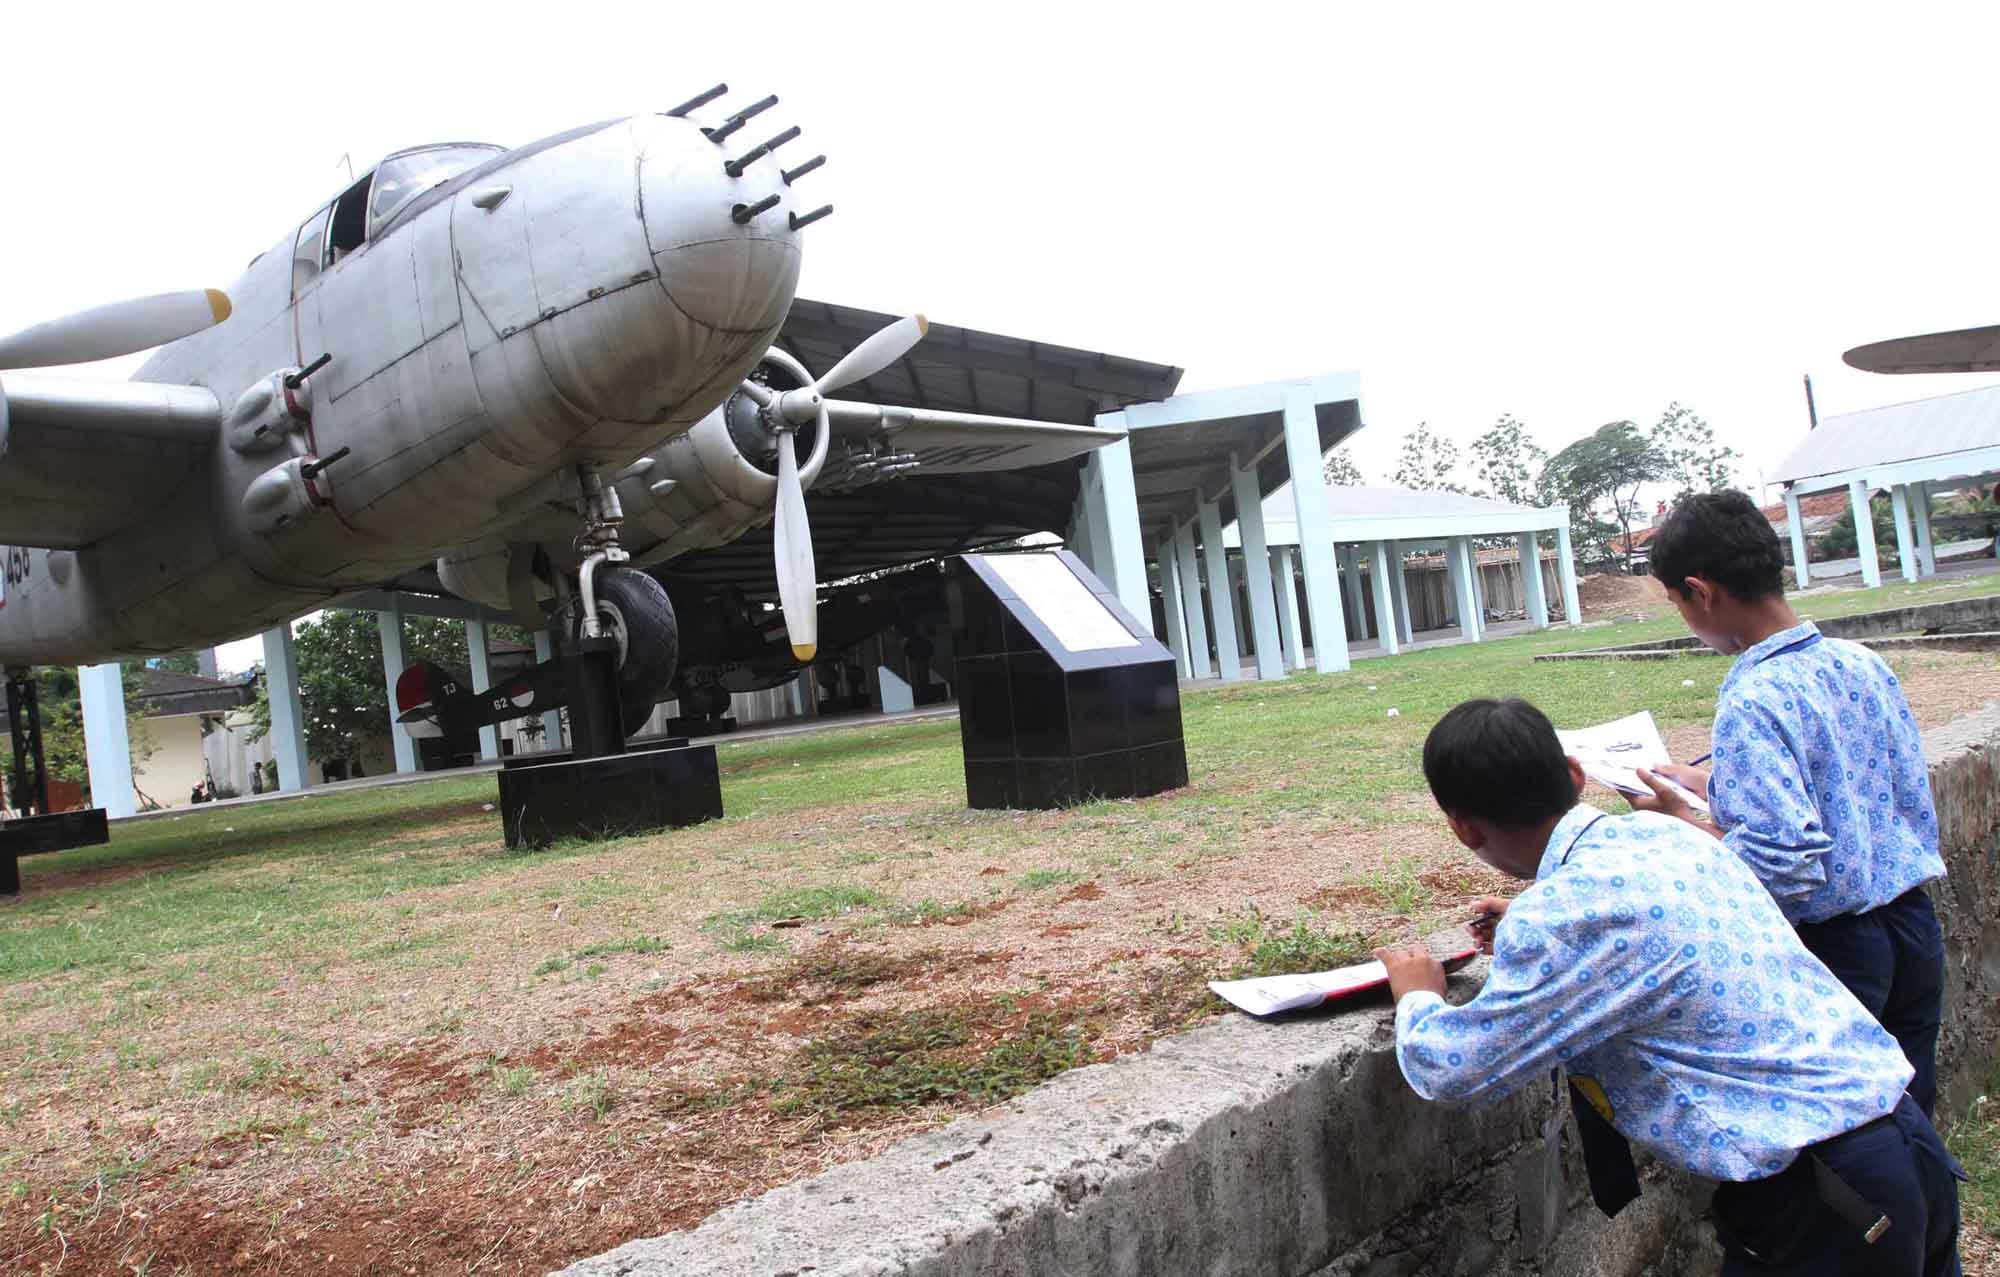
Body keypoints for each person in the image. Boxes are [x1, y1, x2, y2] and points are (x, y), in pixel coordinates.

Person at [1376, 698, 1961, 1275]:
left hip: (1825, 1199)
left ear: (1461, 827)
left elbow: (1450, 1068)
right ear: (1576, 776)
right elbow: (1652, 937)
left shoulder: (1561, 916)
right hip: (1908, 1147)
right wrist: (1534, 932)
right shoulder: (1671, 838)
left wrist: (1418, 993)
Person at [1632, 489, 1947, 1116]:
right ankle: (1932, 1218)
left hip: (1843, 948)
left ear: (1702, 592)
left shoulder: (1752, 697)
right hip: (1914, 924)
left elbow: (1785, 864)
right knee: (1915, 1122)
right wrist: (1714, 785)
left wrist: (1681, 823)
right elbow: (1868, 784)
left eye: (1677, 604)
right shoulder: (1859, 664)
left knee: (1860, 1136)